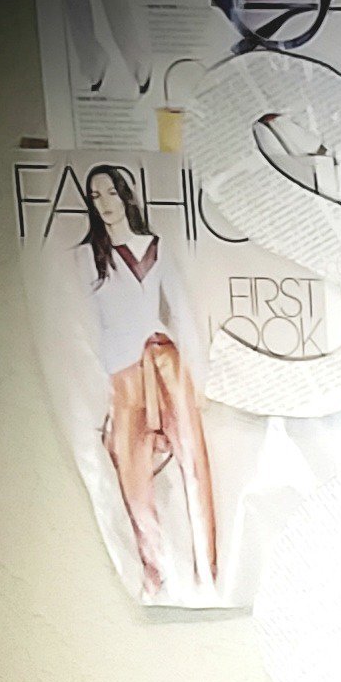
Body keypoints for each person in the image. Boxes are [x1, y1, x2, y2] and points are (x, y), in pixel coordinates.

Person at [80, 161, 217, 597]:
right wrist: (100, 396)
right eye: (95, 196)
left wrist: (201, 379)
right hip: (123, 374)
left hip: (166, 363)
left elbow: (182, 312)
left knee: (195, 467)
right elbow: (90, 326)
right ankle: (155, 576)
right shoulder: (89, 256)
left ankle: (207, 573)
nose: (104, 203)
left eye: (110, 192)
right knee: (134, 481)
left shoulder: (157, 247)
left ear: (125, 195)